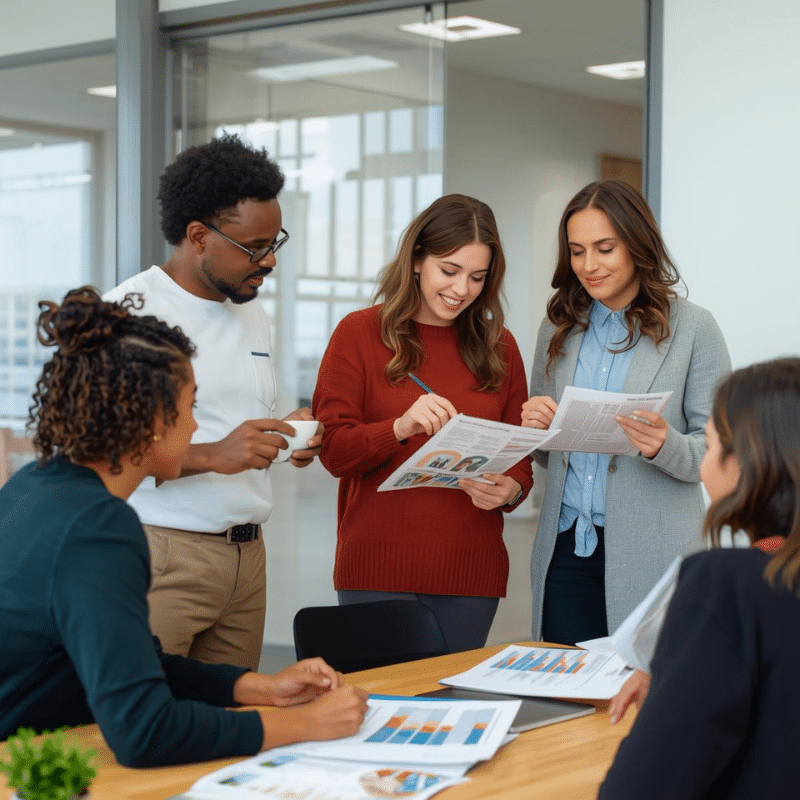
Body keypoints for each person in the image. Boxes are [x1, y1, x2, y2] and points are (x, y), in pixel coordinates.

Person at [0, 288, 367, 767]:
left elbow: (136, 666)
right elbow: (145, 730)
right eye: (191, 406)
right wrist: (304, 725)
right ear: (153, 421)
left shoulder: (35, 485)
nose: (195, 427)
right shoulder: (99, 528)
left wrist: (258, 687)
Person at [105, 133, 320, 671]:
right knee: (143, 726)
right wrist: (213, 455)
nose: (269, 261)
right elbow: (104, 454)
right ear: (198, 236)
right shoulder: (130, 314)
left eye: (276, 242)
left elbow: (236, 418)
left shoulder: (248, 308)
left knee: (228, 724)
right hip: (163, 555)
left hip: (247, 558)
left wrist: (286, 430)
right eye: (255, 248)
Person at [312, 194, 533, 652]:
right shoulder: (358, 333)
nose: (461, 290)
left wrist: (510, 491)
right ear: (416, 260)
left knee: (453, 715)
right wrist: (399, 427)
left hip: (471, 573)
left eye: (477, 277)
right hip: (375, 568)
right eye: (449, 271)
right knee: (383, 713)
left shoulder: (501, 347)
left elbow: (520, 459)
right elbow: (333, 451)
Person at [522, 179, 730, 645]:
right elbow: (547, 456)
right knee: (566, 696)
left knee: (647, 703)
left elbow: (721, 454)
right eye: (577, 251)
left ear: (637, 245)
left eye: (604, 248)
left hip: (653, 553)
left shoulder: (694, 327)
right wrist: (534, 430)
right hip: (565, 553)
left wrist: (666, 445)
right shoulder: (556, 328)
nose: (589, 266)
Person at [599, 357, 800, 798]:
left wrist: (681, 682)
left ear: (747, 463)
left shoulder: (729, 584)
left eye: (708, 446)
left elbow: (641, 788)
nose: (705, 468)